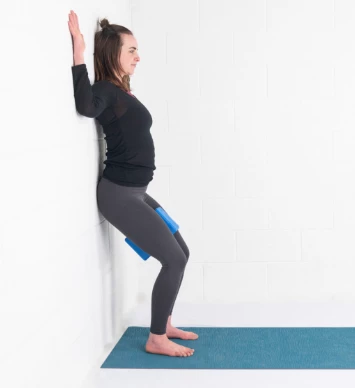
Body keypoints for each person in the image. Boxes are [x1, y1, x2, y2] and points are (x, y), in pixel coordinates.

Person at [68, 10, 198, 357]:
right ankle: (156, 338)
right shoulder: (107, 91)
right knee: (172, 260)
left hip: (137, 193)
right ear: (113, 54)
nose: (138, 57)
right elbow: (85, 106)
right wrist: (78, 53)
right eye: (131, 50)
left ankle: (164, 321)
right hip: (119, 196)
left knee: (181, 253)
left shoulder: (121, 91)